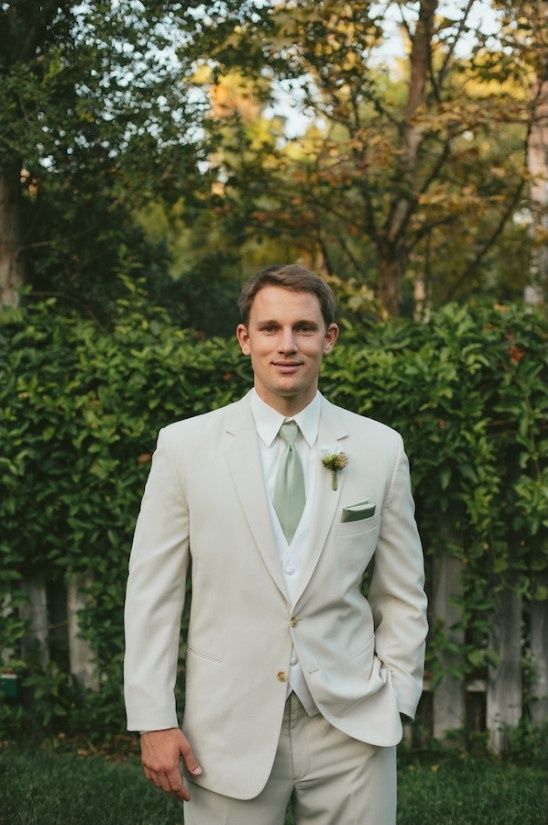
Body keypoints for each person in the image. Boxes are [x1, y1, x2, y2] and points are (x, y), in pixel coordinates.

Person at [124, 264, 428, 825]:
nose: (286, 345)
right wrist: (154, 718)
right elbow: (152, 594)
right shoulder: (185, 447)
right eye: (269, 328)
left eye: (304, 329)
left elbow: (403, 590)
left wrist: (398, 697)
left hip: (352, 725)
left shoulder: (380, 449)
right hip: (223, 726)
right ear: (245, 339)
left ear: (328, 338)